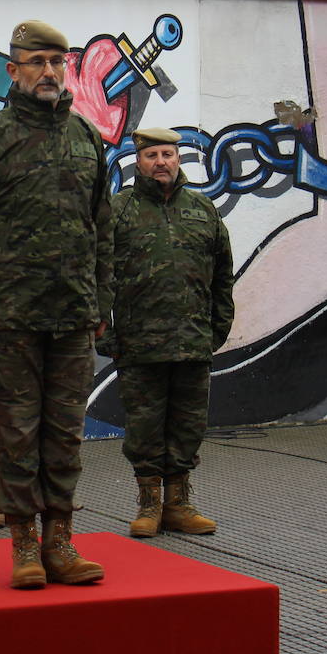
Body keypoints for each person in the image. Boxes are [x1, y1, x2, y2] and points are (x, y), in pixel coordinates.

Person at [0, 19, 111, 589]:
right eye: (37, 62)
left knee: (65, 433)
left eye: (58, 63)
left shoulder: (86, 138)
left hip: (72, 317)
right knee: (14, 432)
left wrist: (102, 303)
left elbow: (103, 228)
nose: (50, 73)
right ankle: (23, 545)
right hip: (8, 318)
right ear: (13, 71)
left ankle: (60, 540)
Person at [105, 128, 233, 538]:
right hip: (138, 344)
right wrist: (104, 334)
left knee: (188, 425)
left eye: (168, 154)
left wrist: (217, 329)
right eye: (151, 155)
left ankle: (179, 504)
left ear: (179, 159)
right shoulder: (117, 211)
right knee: (144, 426)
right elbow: (93, 275)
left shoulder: (203, 209)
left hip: (192, 342)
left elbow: (222, 276)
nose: (161, 162)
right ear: (137, 161)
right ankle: (148, 505)